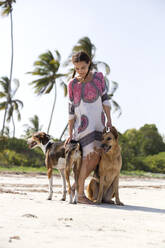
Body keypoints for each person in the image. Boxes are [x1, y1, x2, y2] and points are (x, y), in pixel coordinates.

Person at [65, 51, 112, 204]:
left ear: (89, 63)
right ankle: (79, 195)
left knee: (97, 156)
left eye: (83, 67)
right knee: (85, 159)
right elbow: (71, 109)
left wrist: (109, 120)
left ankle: (74, 187)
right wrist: (70, 132)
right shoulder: (72, 84)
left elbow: (105, 99)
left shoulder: (99, 77)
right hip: (83, 126)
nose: (80, 71)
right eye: (77, 68)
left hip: (99, 122)